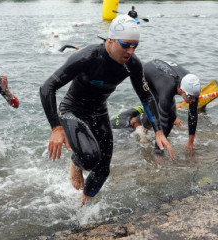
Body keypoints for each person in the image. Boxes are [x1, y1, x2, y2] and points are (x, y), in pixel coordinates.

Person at [39, 15, 174, 205]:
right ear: (110, 40)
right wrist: (56, 128)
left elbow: (146, 96)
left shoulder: (132, 65)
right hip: (73, 110)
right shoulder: (87, 56)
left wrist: (159, 131)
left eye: (135, 45)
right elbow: (47, 87)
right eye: (126, 44)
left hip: (99, 111)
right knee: (89, 157)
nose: (130, 51)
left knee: (103, 169)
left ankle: (83, 207)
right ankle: (76, 162)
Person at [111, 59, 202, 154]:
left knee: (172, 116)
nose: (193, 100)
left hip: (161, 73)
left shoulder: (192, 88)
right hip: (145, 75)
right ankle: (146, 131)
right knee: (161, 110)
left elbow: (193, 114)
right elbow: (163, 120)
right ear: (180, 89)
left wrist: (190, 142)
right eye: (190, 97)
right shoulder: (168, 88)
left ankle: (155, 136)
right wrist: (159, 150)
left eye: (195, 98)